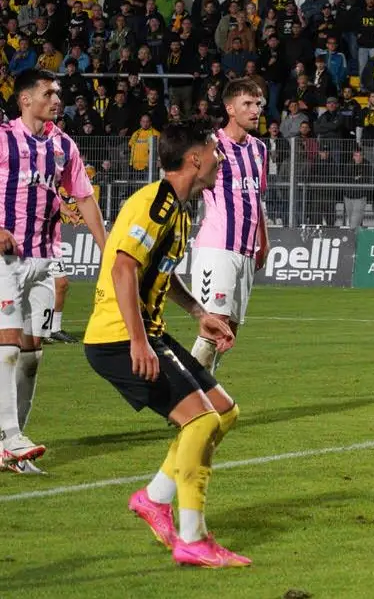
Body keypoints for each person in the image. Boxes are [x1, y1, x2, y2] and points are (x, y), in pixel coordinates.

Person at [83, 120, 251, 567]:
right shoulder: (155, 202)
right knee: (198, 422)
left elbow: (159, 271)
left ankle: (155, 498)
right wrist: (138, 342)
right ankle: (193, 538)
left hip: (147, 331)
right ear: (194, 159)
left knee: (225, 413)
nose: (219, 159)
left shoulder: (179, 210)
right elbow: (122, 269)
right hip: (118, 338)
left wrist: (200, 314)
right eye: (214, 152)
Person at [0, 69, 108, 471]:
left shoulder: (63, 145)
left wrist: (108, 249)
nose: (57, 98)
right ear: (25, 99)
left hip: (46, 260)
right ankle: (10, 435)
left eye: (58, 92)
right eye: (48, 92)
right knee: (7, 345)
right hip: (7, 260)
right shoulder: (4, 138)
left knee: (31, 356)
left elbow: (84, 198)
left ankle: (13, 450)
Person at [189, 79, 269, 373]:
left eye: (258, 104)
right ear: (230, 108)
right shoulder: (212, 145)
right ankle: (191, 396)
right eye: (248, 104)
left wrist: (265, 241)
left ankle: (203, 387)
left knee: (230, 331)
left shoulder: (259, 149)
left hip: (247, 250)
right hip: (217, 247)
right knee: (214, 327)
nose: (255, 110)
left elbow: (257, 198)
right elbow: (188, 187)